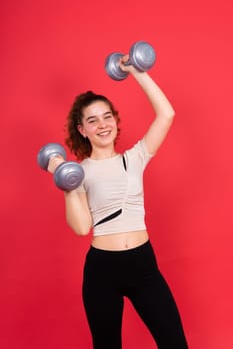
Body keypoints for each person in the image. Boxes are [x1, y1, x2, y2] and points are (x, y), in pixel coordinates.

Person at [48, 54, 188, 349]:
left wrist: (136, 71)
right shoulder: (79, 173)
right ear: (82, 130)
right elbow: (81, 227)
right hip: (102, 270)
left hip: (142, 265)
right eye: (92, 120)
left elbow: (167, 114)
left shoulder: (135, 158)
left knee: (174, 342)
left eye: (107, 116)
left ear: (115, 120)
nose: (102, 125)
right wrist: (64, 179)